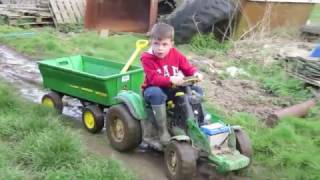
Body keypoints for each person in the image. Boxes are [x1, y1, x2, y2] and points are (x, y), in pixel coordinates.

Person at [141, 23, 204, 147]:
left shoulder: (175, 54)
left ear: (171, 44)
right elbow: (153, 79)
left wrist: (196, 74)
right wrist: (171, 79)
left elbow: (187, 68)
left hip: (173, 88)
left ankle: (198, 122)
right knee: (156, 93)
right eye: (156, 44)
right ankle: (162, 130)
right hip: (154, 89)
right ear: (151, 42)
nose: (160, 48)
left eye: (164, 44)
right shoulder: (147, 58)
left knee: (197, 90)